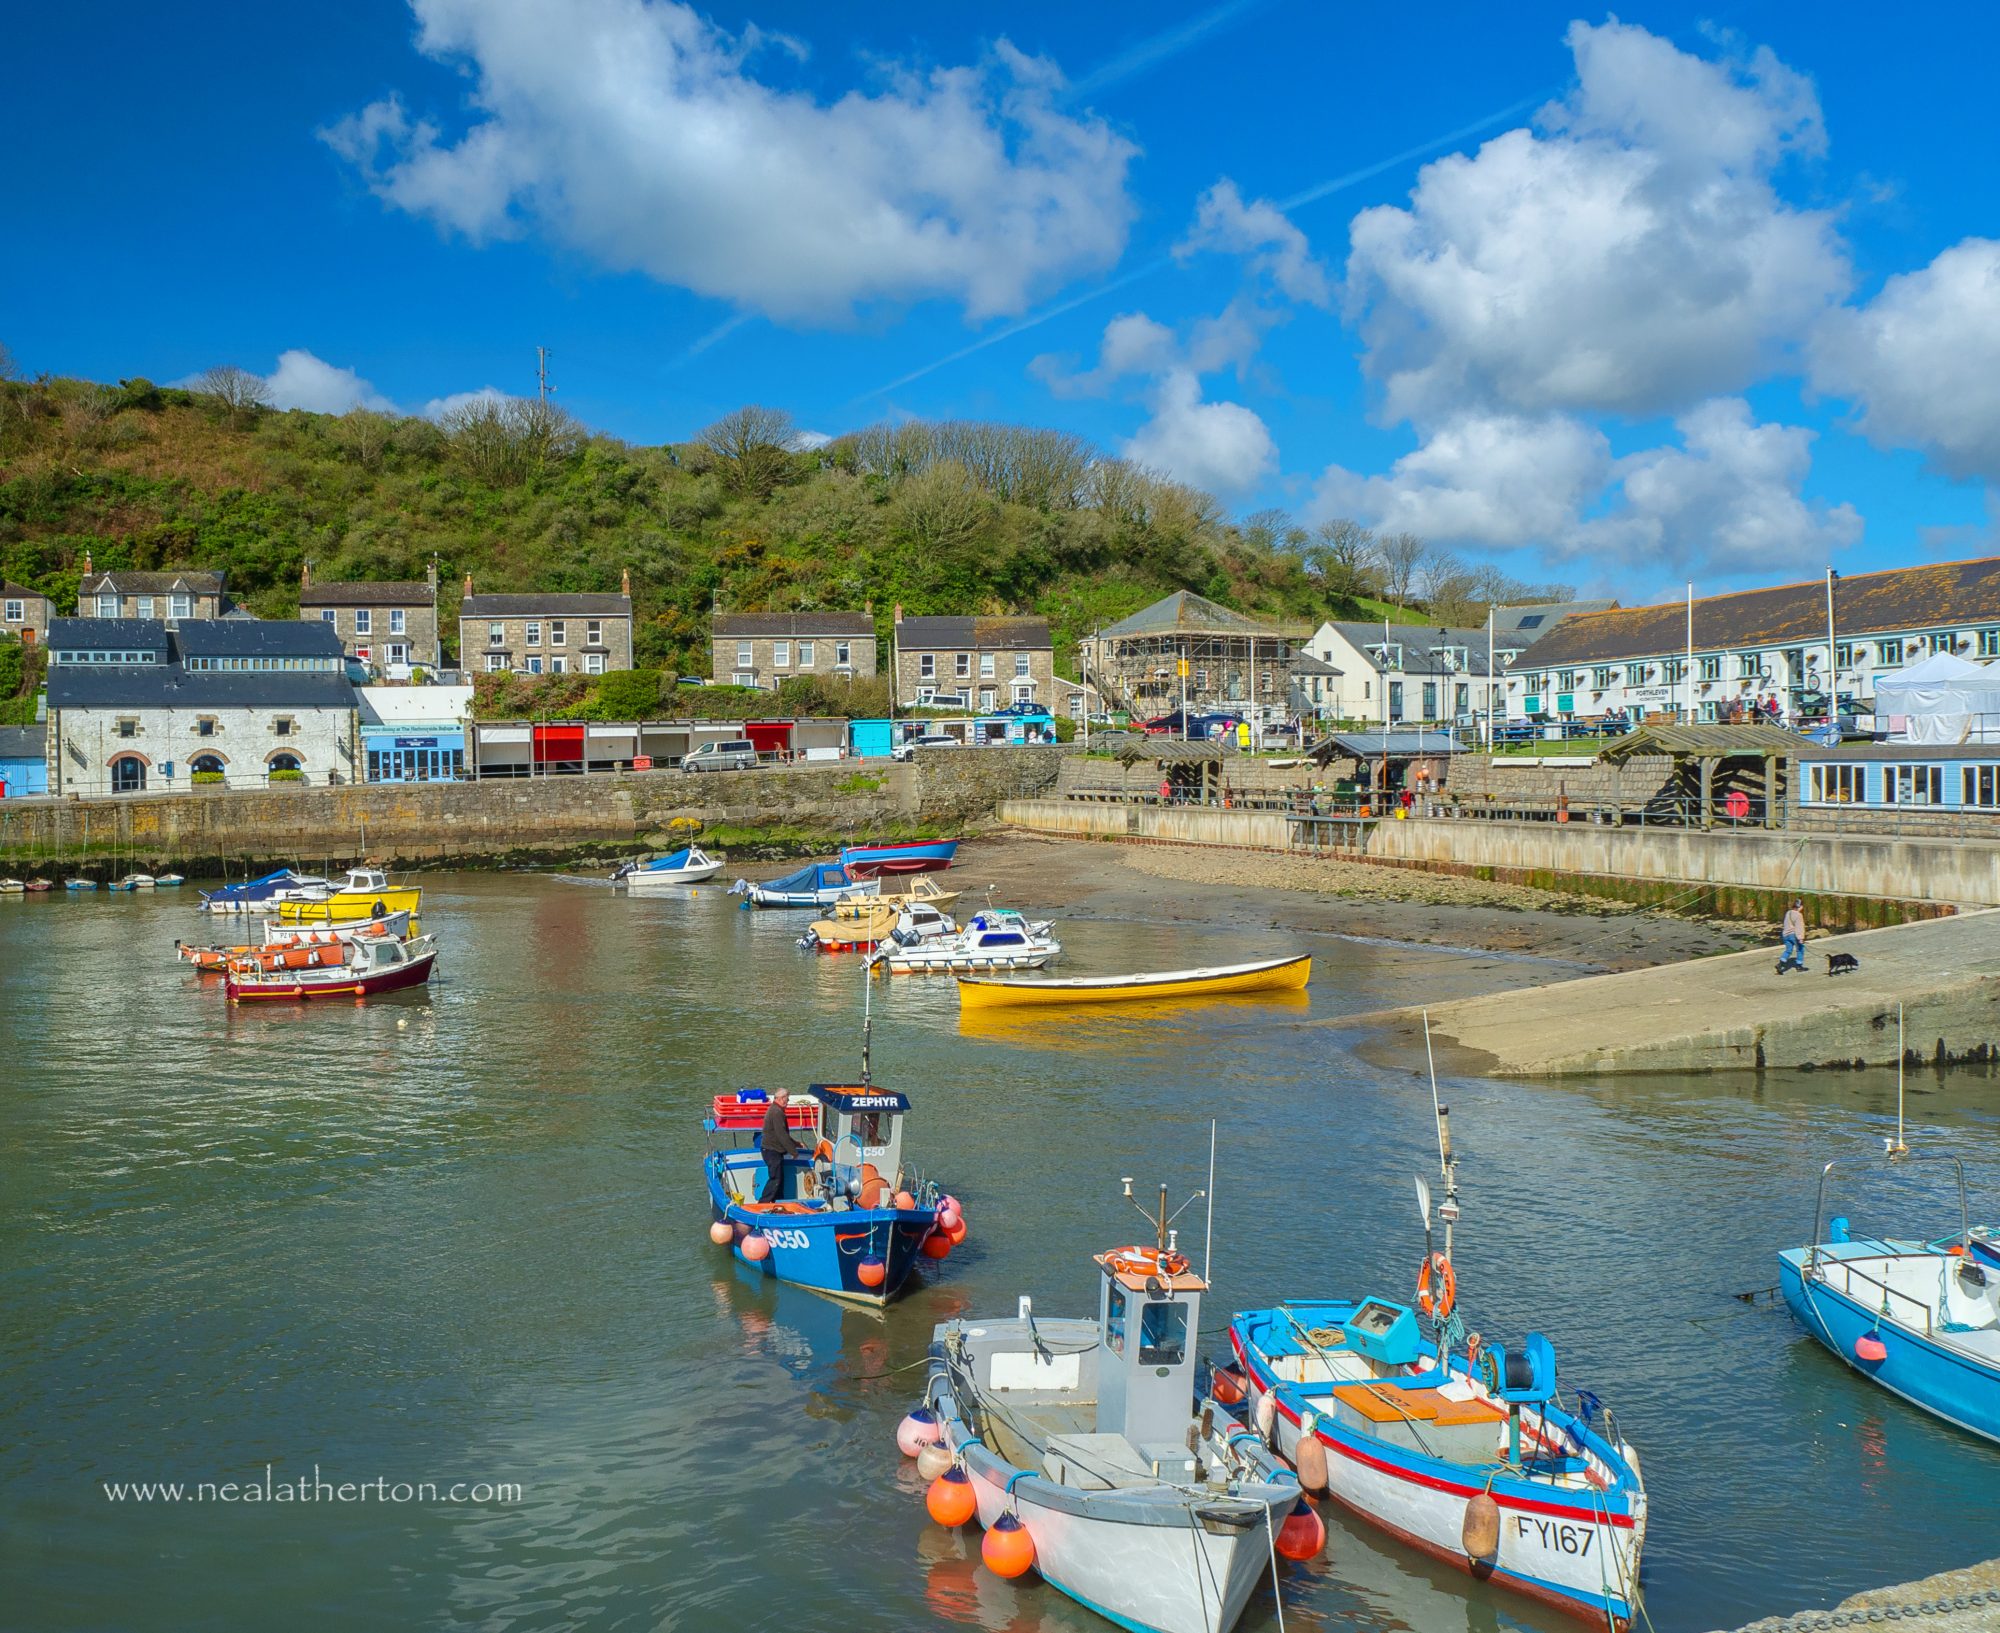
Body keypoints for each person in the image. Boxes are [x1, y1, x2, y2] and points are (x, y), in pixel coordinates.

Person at [759, 1088, 803, 1203]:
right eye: (786, 1099)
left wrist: (795, 1143)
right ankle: (762, 1203)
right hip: (771, 1151)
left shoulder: (775, 1110)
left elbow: (783, 1134)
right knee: (775, 1179)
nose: (787, 1102)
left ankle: (777, 1202)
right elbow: (781, 1135)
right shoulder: (777, 1112)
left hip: (772, 1150)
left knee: (779, 1179)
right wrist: (793, 1151)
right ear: (781, 1099)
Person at [1778, 899, 1807, 973]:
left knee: (1788, 950)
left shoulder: (1788, 912)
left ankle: (1781, 964)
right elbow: (1799, 927)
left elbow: (1785, 924)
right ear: (1800, 906)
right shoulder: (1799, 915)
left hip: (1785, 934)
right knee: (1800, 949)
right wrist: (1801, 938)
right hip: (1793, 935)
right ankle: (1799, 966)